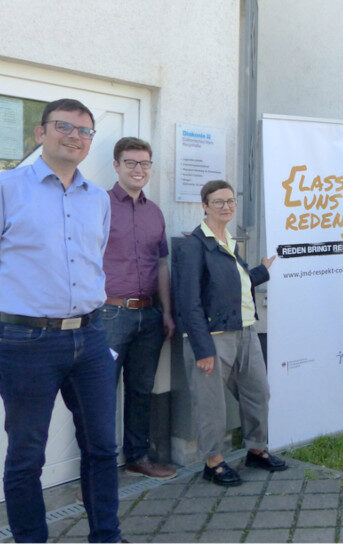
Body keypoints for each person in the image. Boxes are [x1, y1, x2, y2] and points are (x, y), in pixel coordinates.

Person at [0, 98, 121, 542]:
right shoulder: (8, 188)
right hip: (25, 341)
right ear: (40, 133)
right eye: (64, 127)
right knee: (27, 455)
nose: (74, 136)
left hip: (90, 338)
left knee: (103, 447)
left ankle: (105, 534)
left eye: (85, 131)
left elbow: (93, 260)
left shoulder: (99, 201)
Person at [174, 180, 286, 487]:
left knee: (258, 393)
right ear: (205, 206)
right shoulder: (194, 246)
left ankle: (256, 450)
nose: (227, 206)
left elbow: (234, 284)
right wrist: (202, 348)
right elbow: (188, 302)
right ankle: (214, 462)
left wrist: (260, 271)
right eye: (219, 201)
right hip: (212, 337)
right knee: (211, 404)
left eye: (231, 201)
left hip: (246, 331)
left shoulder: (229, 242)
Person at [101, 137, 177, 479]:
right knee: (99, 395)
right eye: (131, 163)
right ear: (116, 166)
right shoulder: (98, 205)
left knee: (141, 390)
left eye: (145, 163)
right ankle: (96, 475)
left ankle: (137, 457)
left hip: (149, 315)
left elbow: (161, 265)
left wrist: (166, 311)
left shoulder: (155, 212)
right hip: (109, 315)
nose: (138, 170)